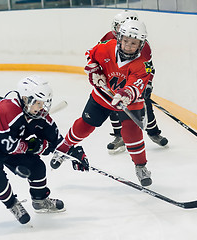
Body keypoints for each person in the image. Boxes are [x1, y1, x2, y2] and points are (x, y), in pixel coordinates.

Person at [0, 75, 88, 224]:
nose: (42, 108)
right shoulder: (6, 110)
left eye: (44, 103)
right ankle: (12, 204)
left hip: (11, 143)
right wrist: (37, 147)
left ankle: (40, 200)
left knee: (37, 167)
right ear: (26, 99)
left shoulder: (40, 118)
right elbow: (9, 146)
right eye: (38, 103)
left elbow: (58, 142)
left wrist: (73, 153)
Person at [53, 20, 153, 187]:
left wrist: (125, 95)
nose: (128, 45)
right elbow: (91, 55)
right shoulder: (106, 46)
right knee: (85, 125)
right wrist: (95, 71)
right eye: (126, 40)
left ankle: (141, 167)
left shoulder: (143, 63)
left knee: (131, 134)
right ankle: (63, 148)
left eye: (133, 43)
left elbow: (134, 85)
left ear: (141, 44)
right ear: (120, 37)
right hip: (102, 96)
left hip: (128, 103)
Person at [100, 11, 168, 154]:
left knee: (145, 106)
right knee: (113, 107)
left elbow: (148, 67)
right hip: (115, 79)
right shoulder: (108, 38)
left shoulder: (142, 44)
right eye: (120, 26)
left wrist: (147, 84)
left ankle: (153, 132)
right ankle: (119, 136)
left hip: (133, 80)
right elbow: (100, 57)